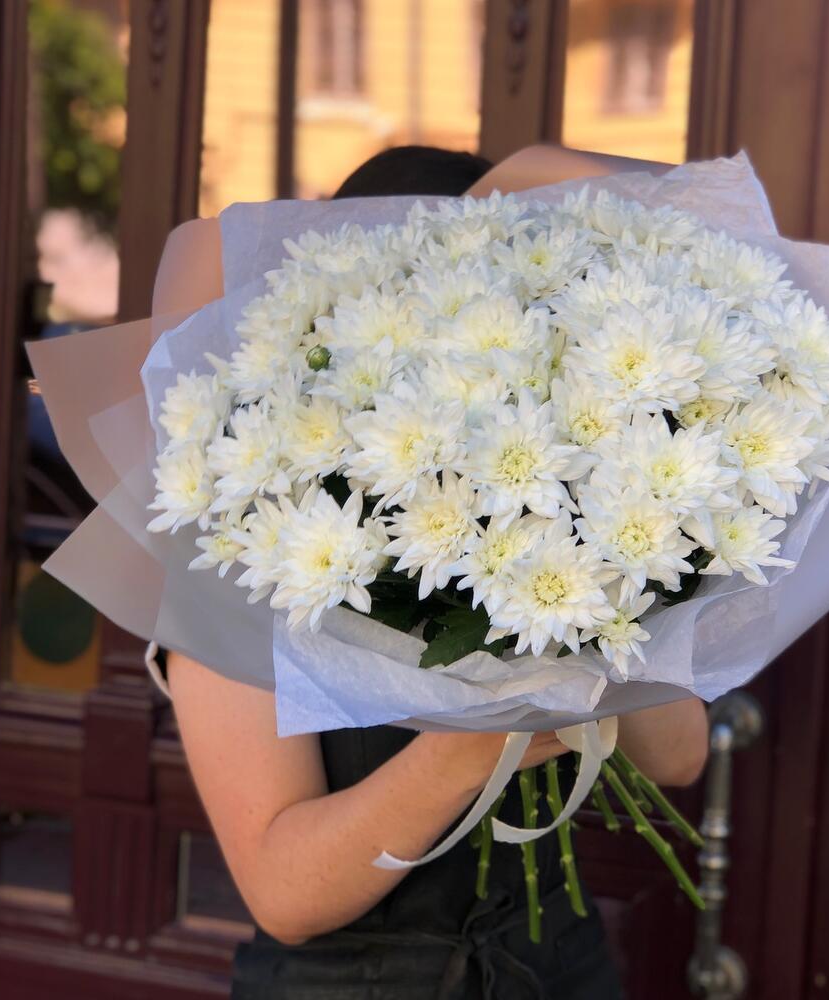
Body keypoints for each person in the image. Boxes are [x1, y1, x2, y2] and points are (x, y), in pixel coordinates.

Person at [166, 146, 709, 1000]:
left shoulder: (562, 495)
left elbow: (678, 757)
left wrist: (601, 579)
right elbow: (283, 894)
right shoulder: (245, 538)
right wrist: (474, 747)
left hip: (558, 965)